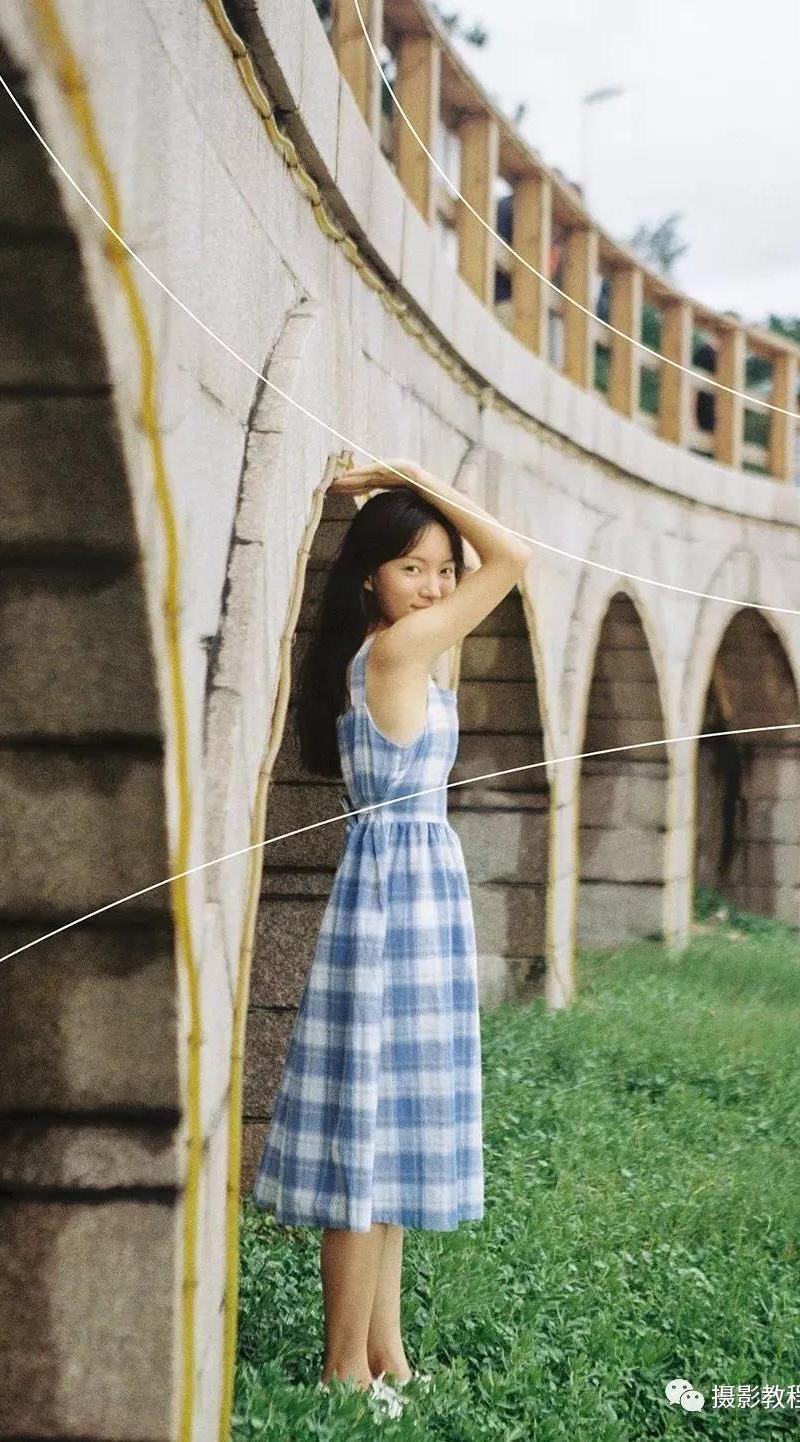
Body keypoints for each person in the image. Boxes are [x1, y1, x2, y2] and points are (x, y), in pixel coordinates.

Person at [249, 458, 531, 1414]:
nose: (437, 586)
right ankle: (344, 1369)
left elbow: (493, 566)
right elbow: (515, 557)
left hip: (406, 891)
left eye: (445, 570)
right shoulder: (399, 650)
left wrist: (411, 502)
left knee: (391, 1133)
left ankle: (388, 1356)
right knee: (367, 1140)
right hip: (398, 898)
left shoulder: (394, 647)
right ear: (371, 575)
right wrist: (411, 477)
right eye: (413, 567)